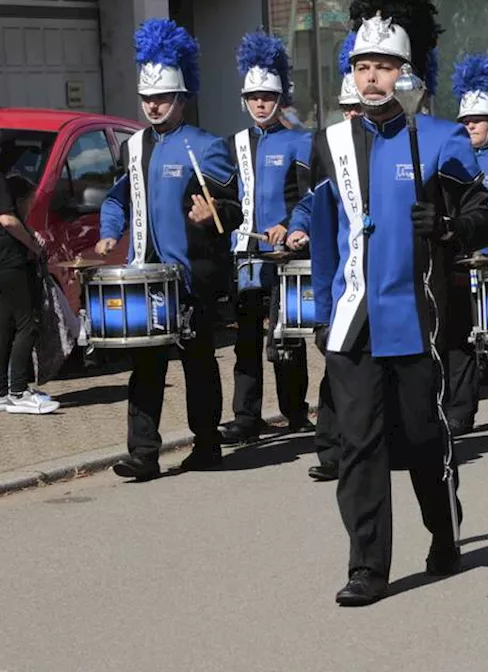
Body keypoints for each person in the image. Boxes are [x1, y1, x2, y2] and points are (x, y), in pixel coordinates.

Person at [307, 0, 488, 606]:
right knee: (357, 444)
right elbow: (324, 236)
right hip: (352, 317)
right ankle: (367, 566)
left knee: (421, 440)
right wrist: (319, 309)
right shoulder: (331, 142)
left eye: (384, 66)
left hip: (418, 316)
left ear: (408, 74)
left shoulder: (441, 139)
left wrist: (445, 225)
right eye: (362, 65)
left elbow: (483, 218)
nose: (371, 77)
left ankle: (444, 531)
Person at [97, 19, 240, 480]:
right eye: (147, 99)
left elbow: (233, 208)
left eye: (162, 98)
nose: (153, 106)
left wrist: (213, 214)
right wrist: (109, 228)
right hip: (146, 274)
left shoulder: (206, 146)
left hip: (191, 278)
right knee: (145, 366)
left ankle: (207, 443)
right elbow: (119, 197)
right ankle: (143, 453)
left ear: (182, 99)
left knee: (198, 364)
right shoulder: (133, 148)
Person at [220, 31, 314, 446]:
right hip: (245, 256)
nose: (260, 103)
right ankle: (246, 416)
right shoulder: (232, 144)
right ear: (245, 99)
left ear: (280, 99)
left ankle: (295, 412)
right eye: (254, 96)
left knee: (286, 336)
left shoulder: (299, 140)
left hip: (283, 255)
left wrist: (290, 224)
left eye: (268, 96)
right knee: (245, 341)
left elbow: (309, 194)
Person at [304, 32, 361, 483]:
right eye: (349, 110)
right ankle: (331, 453)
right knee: (336, 372)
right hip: (346, 291)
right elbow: (323, 240)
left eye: (360, 109)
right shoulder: (328, 151)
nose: (355, 118)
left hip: (392, 296)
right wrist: (323, 309)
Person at [445, 53, 488, 436]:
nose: (471, 126)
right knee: (460, 341)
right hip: (463, 261)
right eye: (466, 120)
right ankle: (461, 412)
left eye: (478, 120)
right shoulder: (453, 158)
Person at [0, 173, 58, 414]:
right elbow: (7, 220)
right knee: (28, 324)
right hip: (11, 261)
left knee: (4, 324)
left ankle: (3, 391)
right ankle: (18, 391)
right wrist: (32, 244)